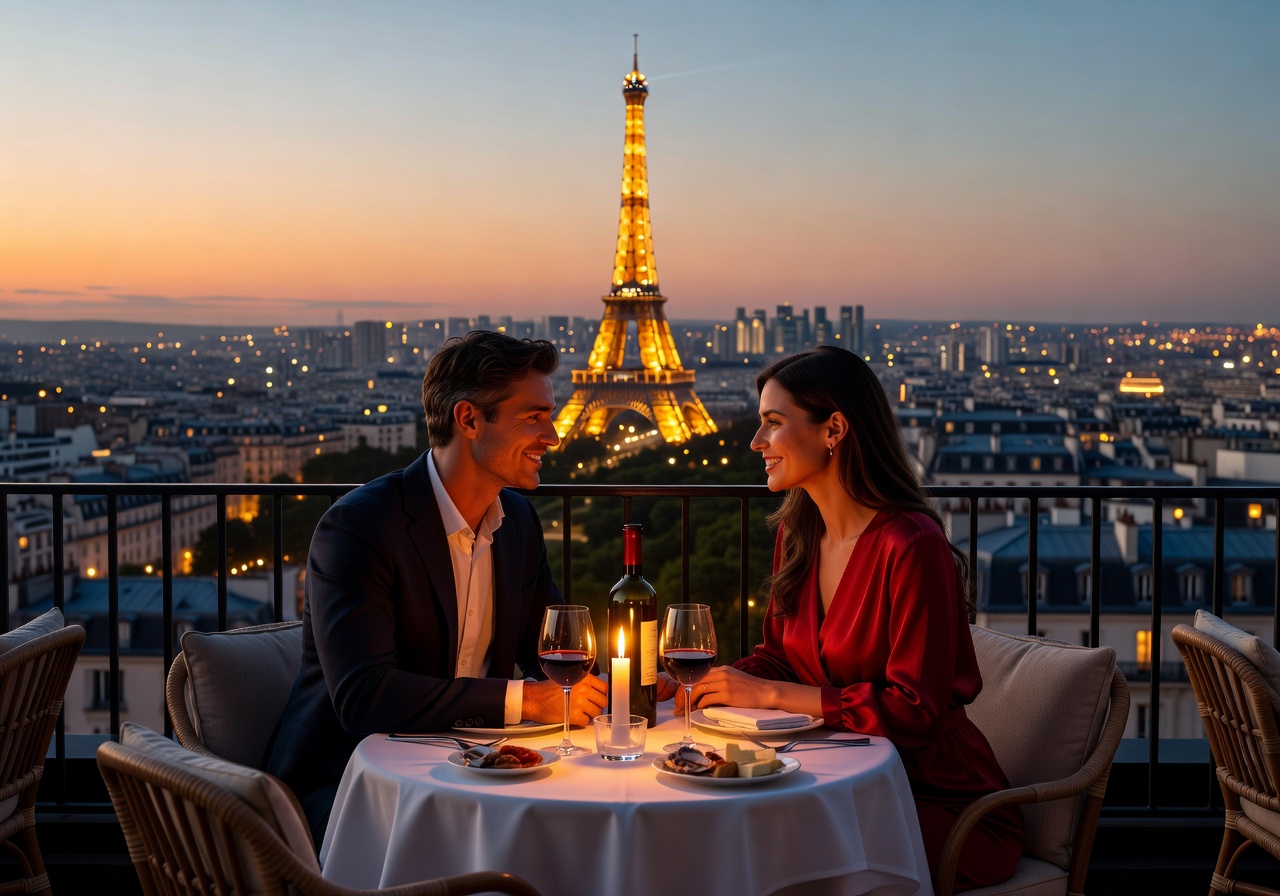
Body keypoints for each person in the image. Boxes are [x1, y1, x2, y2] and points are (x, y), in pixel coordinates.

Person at [681, 345, 1024, 890]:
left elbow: (917, 710)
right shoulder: (799, 534)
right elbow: (779, 656)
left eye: (773, 423)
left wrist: (767, 695)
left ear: (833, 429)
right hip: (832, 781)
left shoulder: (912, 545)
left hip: (929, 803)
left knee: (758, 847)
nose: (756, 441)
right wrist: (701, 688)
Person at [266, 330, 608, 844]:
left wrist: (627, 688)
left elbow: (553, 650)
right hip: (350, 792)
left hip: (472, 777)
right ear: (469, 419)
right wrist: (527, 702)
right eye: (534, 417)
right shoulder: (359, 527)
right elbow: (364, 697)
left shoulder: (516, 520)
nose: (554, 436)